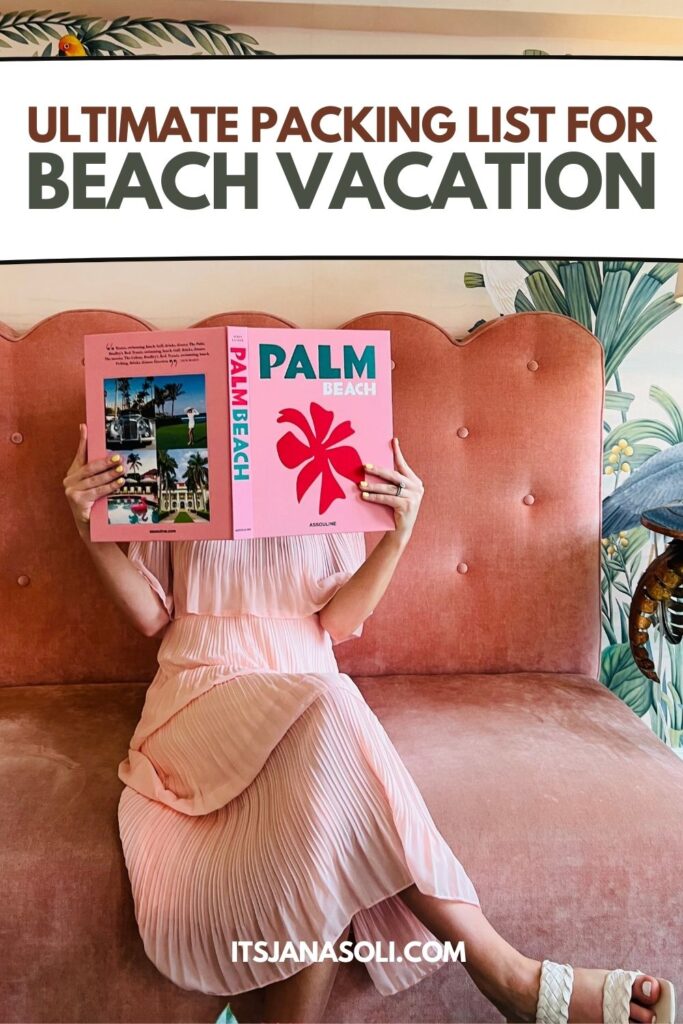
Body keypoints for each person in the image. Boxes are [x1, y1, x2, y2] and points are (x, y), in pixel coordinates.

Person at [63, 423, 670, 1024]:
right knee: (332, 706)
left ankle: (512, 980)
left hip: (310, 692)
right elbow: (150, 615)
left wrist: (398, 534)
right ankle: (508, 974)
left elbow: (338, 619)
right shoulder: (183, 445)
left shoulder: (331, 455)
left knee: (325, 744)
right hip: (201, 690)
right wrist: (88, 521)